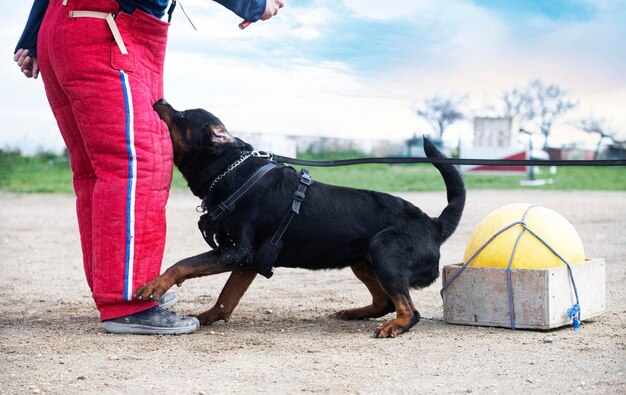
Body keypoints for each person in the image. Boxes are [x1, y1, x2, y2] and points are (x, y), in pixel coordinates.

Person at [13, 0, 284, 335]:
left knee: (96, 171)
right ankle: (129, 303)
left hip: (75, 28)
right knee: (135, 165)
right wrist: (254, 5)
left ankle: (119, 290)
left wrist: (32, 35)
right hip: (107, 30)